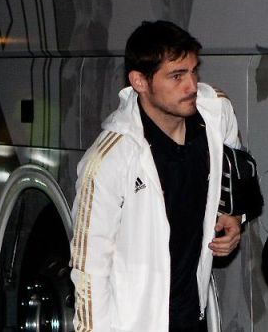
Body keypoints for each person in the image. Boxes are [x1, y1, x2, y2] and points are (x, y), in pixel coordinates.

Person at [70, 20, 243, 332]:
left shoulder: (216, 113)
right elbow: (88, 267)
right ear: (139, 81)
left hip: (194, 315)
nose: (192, 86)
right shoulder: (110, 159)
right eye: (177, 76)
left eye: (194, 71)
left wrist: (232, 212)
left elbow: (236, 160)